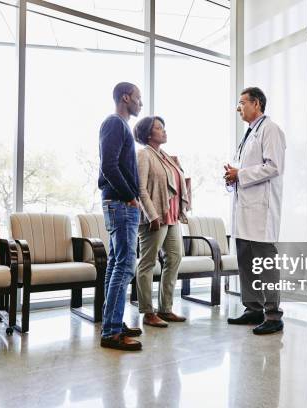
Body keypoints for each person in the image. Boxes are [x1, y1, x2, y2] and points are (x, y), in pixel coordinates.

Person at [224, 87, 286, 335]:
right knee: (246, 261)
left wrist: (241, 174)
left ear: (257, 104)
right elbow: (248, 168)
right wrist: (234, 177)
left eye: (242, 103)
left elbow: (274, 167)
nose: (239, 108)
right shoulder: (250, 133)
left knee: (265, 262)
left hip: (261, 210)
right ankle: (253, 308)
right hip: (245, 209)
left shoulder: (270, 129)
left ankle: (273, 314)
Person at [98, 82, 144, 351]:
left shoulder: (120, 125)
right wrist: (130, 196)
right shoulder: (115, 123)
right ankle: (112, 331)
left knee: (117, 263)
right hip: (120, 203)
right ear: (126, 97)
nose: (140, 103)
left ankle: (112, 322)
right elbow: (109, 166)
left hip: (118, 203)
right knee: (125, 265)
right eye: (138, 98)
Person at [133, 116, 189, 327]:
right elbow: (140, 189)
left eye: (164, 127)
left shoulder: (165, 156)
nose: (164, 131)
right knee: (147, 263)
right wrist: (151, 215)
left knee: (175, 257)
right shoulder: (144, 154)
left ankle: (165, 309)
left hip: (171, 217)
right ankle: (148, 312)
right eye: (159, 128)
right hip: (154, 218)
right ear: (148, 133)